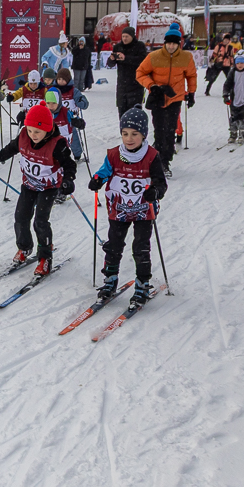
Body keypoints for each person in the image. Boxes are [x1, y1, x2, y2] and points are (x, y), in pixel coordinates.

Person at [0, 103, 77, 276]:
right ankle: (25, 247)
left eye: (37, 131)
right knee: (21, 218)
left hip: (48, 188)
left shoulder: (56, 143)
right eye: (29, 130)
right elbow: (7, 151)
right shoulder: (24, 136)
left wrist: (68, 180)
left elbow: (69, 165)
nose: (32, 135)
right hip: (29, 185)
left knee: (40, 222)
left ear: (47, 129)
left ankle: (45, 258)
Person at [86, 103, 168, 309]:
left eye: (134, 134)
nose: (129, 139)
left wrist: (155, 191)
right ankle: (110, 280)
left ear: (143, 135)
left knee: (141, 247)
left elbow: (161, 183)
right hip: (119, 209)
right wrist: (97, 179)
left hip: (143, 211)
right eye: (125, 133)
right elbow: (104, 171)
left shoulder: (151, 156)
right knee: (113, 245)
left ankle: (142, 284)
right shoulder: (114, 155)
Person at [136, 23, 197, 178]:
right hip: (158, 97)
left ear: (179, 44)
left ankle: (165, 161)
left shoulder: (186, 57)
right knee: (159, 129)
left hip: (175, 97)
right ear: (165, 43)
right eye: (168, 43)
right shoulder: (154, 57)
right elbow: (140, 73)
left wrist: (191, 93)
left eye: (174, 44)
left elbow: (191, 76)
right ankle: (157, 157)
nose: (171, 46)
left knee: (170, 130)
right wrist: (152, 85)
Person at [106, 26, 148, 117]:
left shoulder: (139, 46)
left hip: (136, 85)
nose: (124, 38)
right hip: (122, 86)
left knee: (135, 114)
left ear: (132, 36)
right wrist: (111, 59)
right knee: (122, 113)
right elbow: (110, 64)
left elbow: (143, 61)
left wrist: (126, 58)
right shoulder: (118, 47)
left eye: (127, 36)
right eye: (123, 36)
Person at [55, 68, 89, 160]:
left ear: (68, 80)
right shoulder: (54, 91)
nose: (60, 81)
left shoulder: (74, 91)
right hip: (58, 120)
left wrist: (81, 102)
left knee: (74, 139)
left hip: (71, 120)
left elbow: (84, 104)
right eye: (59, 79)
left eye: (63, 79)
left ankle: (77, 155)